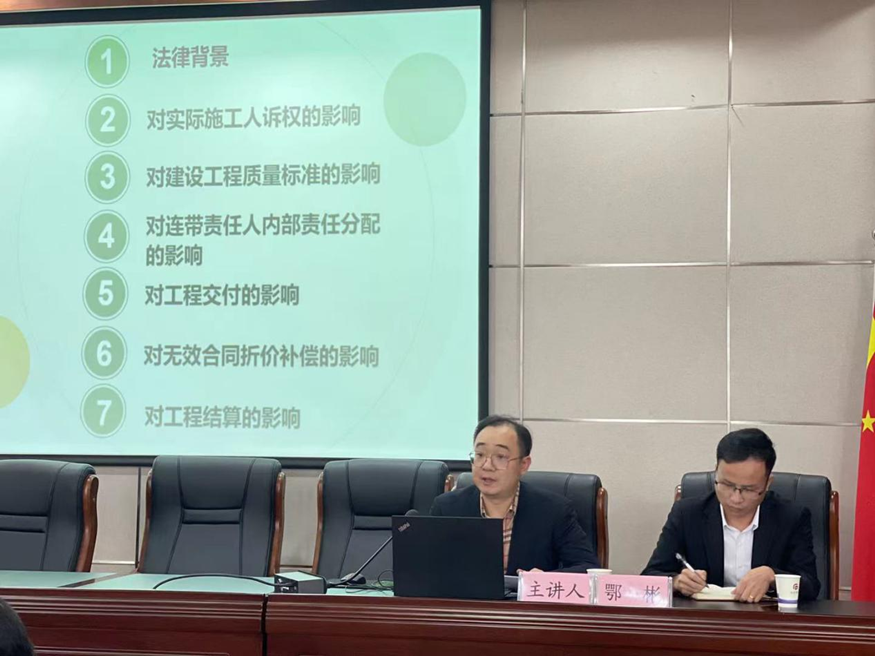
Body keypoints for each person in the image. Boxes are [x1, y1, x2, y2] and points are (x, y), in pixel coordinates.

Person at [642, 428, 820, 602]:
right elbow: (650, 577)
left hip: (765, 618)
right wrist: (677, 582)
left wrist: (772, 576)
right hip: (705, 618)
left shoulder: (791, 517)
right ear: (716, 472)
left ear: (767, 483)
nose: (736, 498)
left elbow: (811, 586)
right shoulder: (687, 514)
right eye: (727, 485)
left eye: (749, 489)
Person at [430, 415, 600, 574]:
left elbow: (587, 567)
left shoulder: (554, 511)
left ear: (523, 465)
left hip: (526, 597)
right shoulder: (447, 508)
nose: (487, 466)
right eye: (480, 455)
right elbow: (427, 567)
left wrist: (545, 580)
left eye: (500, 457)